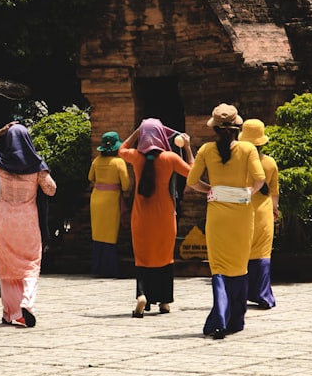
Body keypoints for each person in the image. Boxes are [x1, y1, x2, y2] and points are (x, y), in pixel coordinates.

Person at [186, 104, 265, 339]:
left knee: (219, 267)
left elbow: (192, 181)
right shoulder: (248, 149)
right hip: (241, 214)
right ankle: (235, 319)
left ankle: (219, 318)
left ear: (215, 129)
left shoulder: (206, 150)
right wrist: (247, 192)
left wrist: (211, 189)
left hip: (217, 215)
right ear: (236, 127)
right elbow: (260, 179)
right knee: (239, 266)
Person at [0, 122, 57, 328]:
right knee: (30, 264)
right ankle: (27, 303)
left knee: (7, 268)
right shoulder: (36, 165)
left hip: (4, 222)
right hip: (27, 222)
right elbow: (51, 189)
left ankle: (10, 313)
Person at [120, 118, 194, 317]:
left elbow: (121, 149)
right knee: (165, 257)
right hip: (165, 216)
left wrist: (137, 132)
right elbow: (192, 173)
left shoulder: (136, 157)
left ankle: (142, 295)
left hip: (141, 217)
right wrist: (187, 148)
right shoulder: (170, 158)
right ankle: (164, 301)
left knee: (142, 258)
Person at [239, 119, 279, 310]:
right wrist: (275, 210)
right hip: (263, 212)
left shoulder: (237, 163)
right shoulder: (269, 163)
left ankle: (240, 294)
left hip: (241, 211)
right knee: (262, 254)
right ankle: (263, 295)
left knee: (242, 254)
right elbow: (274, 192)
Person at [87, 131, 131, 278]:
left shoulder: (96, 161)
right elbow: (126, 185)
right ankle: (109, 269)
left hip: (96, 198)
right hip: (111, 200)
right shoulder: (119, 162)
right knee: (110, 235)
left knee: (97, 234)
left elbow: (90, 177)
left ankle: (96, 268)